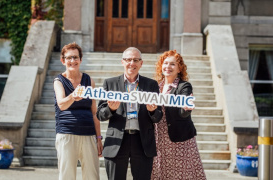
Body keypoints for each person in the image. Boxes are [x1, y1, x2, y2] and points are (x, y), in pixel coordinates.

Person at [96, 47, 163, 180]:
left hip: (142, 141)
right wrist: (111, 109)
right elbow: (100, 114)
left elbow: (158, 116)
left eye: (135, 60)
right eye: (128, 60)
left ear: (141, 63)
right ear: (122, 62)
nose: (131, 63)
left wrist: (152, 111)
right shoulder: (110, 83)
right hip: (117, 141)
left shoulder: (151, 84)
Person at [151, 50, 206, 180]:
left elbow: (183, 110)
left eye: (172, 64)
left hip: (179, 139)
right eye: (165, 63)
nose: (168, 67)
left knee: (181, 174)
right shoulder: (156, 86)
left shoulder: (184, 86)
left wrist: (186, 109)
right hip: (158, 138)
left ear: (179, 69)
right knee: (160, 173)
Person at [53, 42, 102, 180]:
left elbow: (94, 113)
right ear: (63, 60)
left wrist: (98, 138)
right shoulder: (59, 81)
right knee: (67, 176)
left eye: (75, 57)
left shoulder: (89, 81)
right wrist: (73, 96)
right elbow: (61, 104)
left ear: (80, 59)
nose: (72, 61)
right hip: (66, 133)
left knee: (92, 176)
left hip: (88, 134)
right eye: (69, 58)